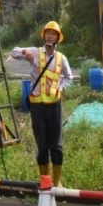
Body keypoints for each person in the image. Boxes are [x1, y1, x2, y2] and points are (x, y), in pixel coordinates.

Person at [11, 20, 72, 185]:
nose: (50, 36)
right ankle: (45, 180)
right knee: (42, 144)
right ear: (44, 36)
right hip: (37, 105)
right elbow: (14, 52)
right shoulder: (35, 52)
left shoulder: (61, 58)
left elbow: (68, 77)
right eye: (48, 33)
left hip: (54, 105)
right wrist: (25, 51)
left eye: (53, 34)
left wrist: (60, 88)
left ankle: (57, 182)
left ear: (58, 38)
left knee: (56, 145)